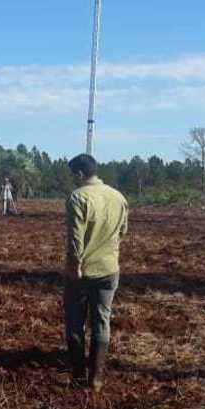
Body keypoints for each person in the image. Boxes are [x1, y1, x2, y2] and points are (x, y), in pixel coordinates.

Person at [64, 154, 129, 390]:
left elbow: (75, 239)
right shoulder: (118, 197)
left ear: (80, 173)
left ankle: (79, 375)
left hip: (83, 272)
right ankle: (97, 377)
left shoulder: (78, 197)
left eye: (73, 175)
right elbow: (122, 231)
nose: (73, 179)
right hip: (109, 269)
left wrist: (74, 267)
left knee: (75, 322)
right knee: (102, 320)